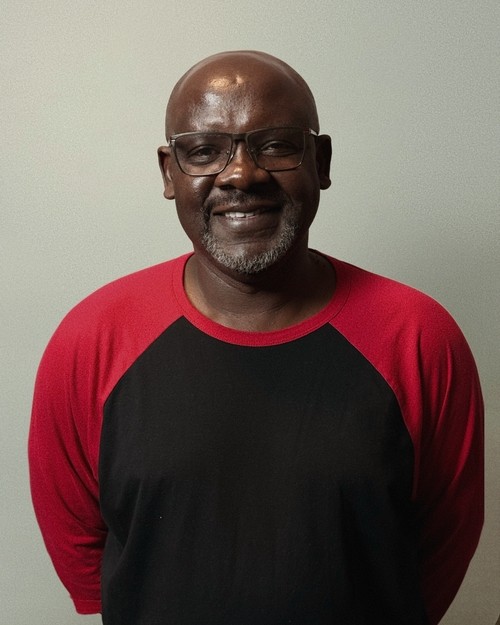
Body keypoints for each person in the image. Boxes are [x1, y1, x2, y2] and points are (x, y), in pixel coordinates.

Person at [29, 51, 484, 625]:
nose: (242, 175)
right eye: (204, 151)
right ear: (169, 173)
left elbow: (442, 546)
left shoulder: (419, 337)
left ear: (320, 161)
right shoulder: (92, 339)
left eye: (276, 146)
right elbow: (82, 550)